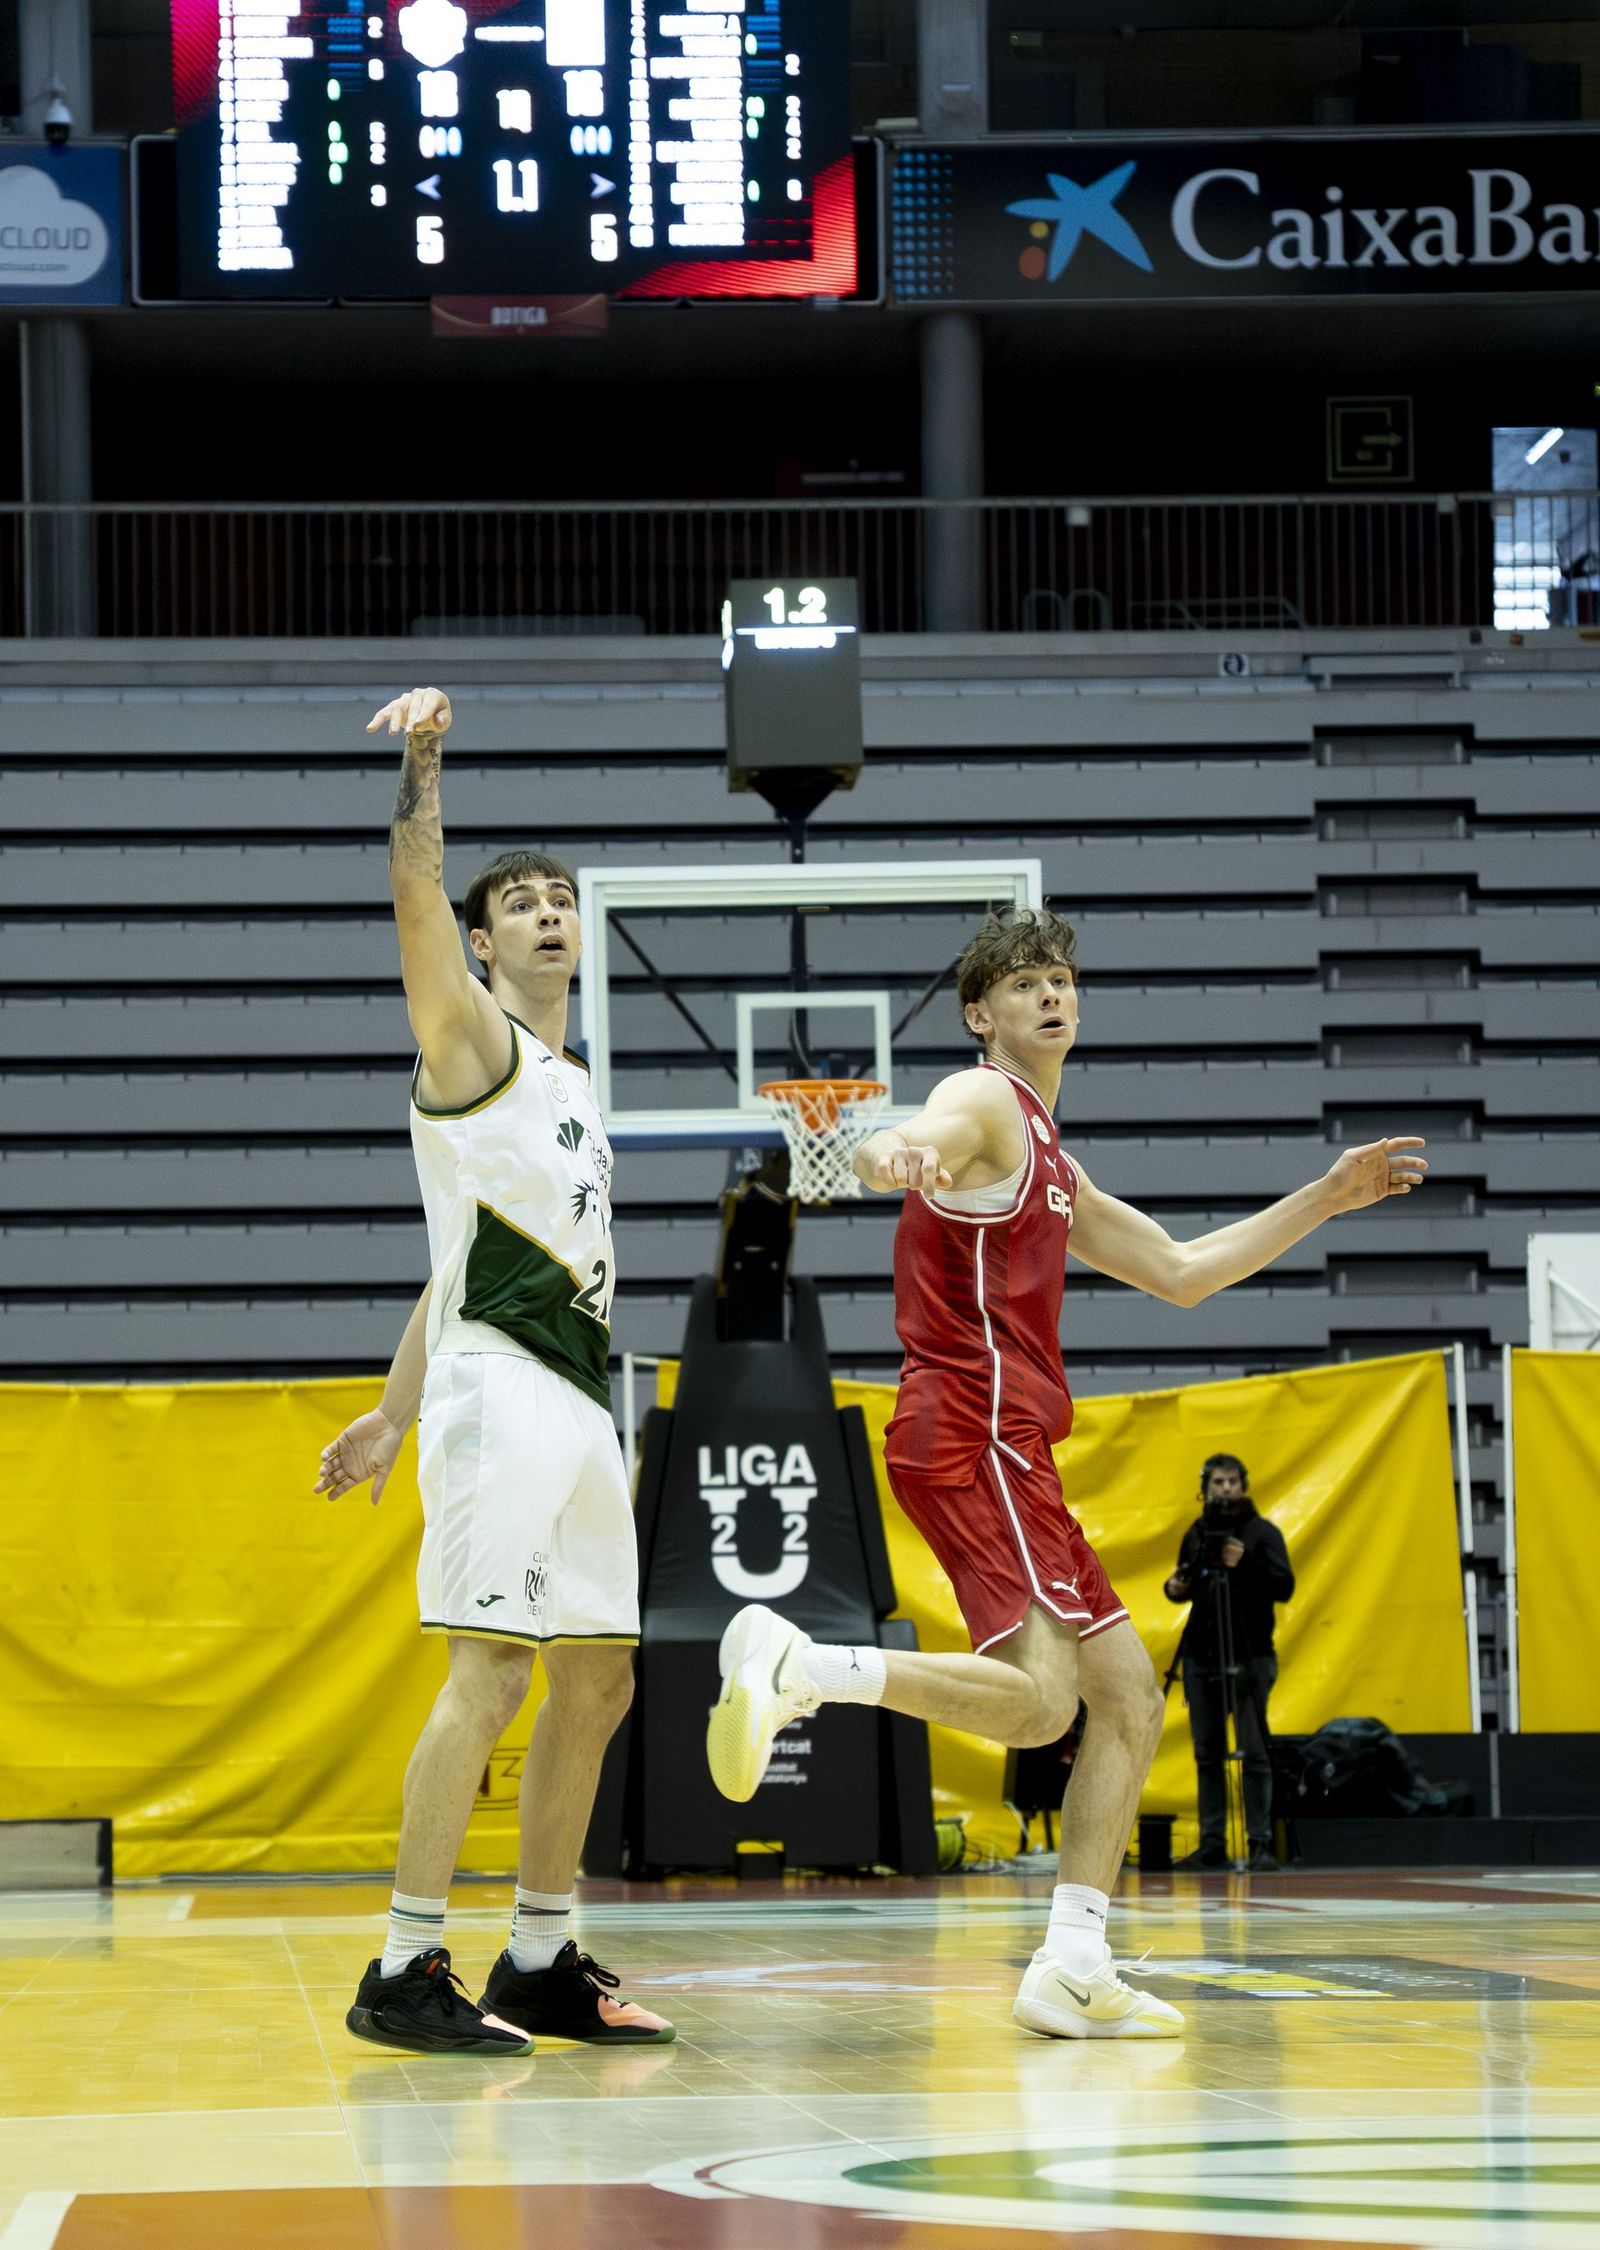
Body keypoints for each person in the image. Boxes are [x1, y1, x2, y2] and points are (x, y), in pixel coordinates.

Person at [705, 904, 1426, 2041]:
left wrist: (1326, 1198)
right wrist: (901, 1147)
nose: (1053, 995)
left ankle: (1073, 1962)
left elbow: (1182, 1272)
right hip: (973, 1427)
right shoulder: (987, 1101)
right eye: (1026, 983)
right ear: (981, 1013)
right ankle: (804, 1667)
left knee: (1128, 1700)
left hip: (1008, 1443)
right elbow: (935, 1127)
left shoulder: (1049, 1156)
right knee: (1046, 1709)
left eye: (1062, 979)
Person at [315, 685, 672, 2056]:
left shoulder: (574, 1086)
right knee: (492, 1671)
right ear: (482, 937)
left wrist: (387, 1409)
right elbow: (411, 896)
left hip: (582, 1392)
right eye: (518, 899)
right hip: (506, 1393)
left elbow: (457, 1260)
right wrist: (424, 768)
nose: (545, 910)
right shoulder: (467, 1038)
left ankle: (538, 1951)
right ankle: (403, 1963)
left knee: (599, 1677)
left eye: (559, 897)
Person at [1164, 1454, 1295, 1873]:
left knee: (1254, 1751)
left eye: (1232, 1481)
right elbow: (1185, 1582)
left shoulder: (1262, 1533)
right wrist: (1176, 1585)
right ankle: (1212, 1843)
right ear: (1206, 1486)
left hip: (1251, 1656)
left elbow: (1285, 1586)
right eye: (1218, 1482)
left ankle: (1260, 1843)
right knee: (1207, 1754)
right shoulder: (1198, 1533)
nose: (1225, 1489)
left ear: (1244, 1484)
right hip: (1202, 1658)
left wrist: (1248, 1563)